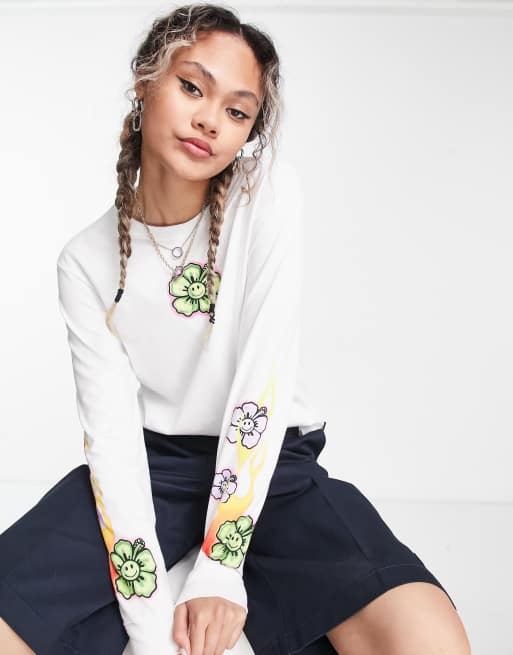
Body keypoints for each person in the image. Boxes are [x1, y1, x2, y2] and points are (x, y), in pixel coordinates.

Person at [0, 4, 471, 655]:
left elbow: (260, 382)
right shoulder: (85, 261)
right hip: (153, 468)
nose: (209, 121)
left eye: (237, 111)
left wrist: (220, 567)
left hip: (273, 463)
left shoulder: (265, 193)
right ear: (145, 82)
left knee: (425, 637)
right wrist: (150, 628)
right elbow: (111, 442)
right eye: (192, 87)